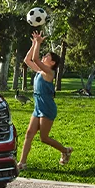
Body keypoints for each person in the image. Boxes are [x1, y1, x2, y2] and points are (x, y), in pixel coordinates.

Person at [19, 31, 73, 170]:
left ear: (53, 62)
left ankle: (65, 151)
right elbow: (27, 60)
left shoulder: (49, 73)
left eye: (47, 56)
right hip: (38, 106)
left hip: (47, 107)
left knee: (44, 138)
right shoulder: (40, 71)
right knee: (29, 134)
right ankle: (22, 163)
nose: (44, 56)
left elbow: (36, 59)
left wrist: (38, 43)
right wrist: (33, 44)